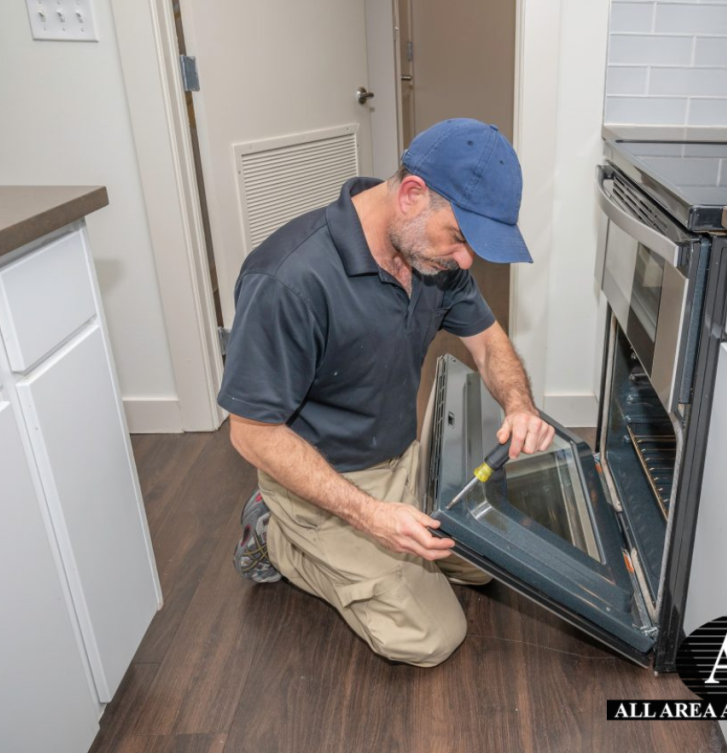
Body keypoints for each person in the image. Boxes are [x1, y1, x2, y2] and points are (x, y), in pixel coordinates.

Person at [218, 118, 554, 668]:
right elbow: (251, 432)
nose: (467, 261)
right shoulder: (288, 279)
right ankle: (276, 532)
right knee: (430, 637)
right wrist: (371, 516)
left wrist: (518, 405)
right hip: (323, 483)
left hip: (406, 459)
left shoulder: (432, 260)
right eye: (462, 239)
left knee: (492, 563)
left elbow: (490, 343)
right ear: (411, 195)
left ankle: (373, 542)